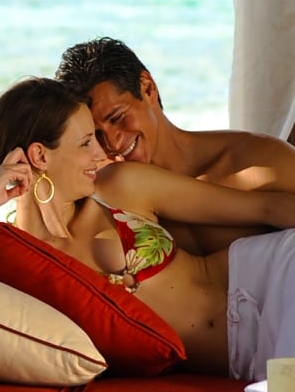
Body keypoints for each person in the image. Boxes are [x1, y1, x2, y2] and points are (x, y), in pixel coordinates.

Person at [0, 77, 295, 381]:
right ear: (40, 155)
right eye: (85, 143)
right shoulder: (5, 261)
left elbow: (263, 205)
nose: (103, 152)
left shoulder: (121, 187)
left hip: (275, 275)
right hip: (250, 354)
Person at [55, 37, 295, 255]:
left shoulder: (259, 164)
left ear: (147, 88)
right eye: (95, 135)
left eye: (117, 118)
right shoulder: (102, 197)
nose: (113, 143)